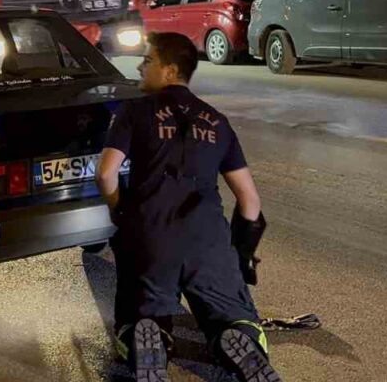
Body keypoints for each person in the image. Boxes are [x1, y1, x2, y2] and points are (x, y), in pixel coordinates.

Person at [96, 32, 279, 382]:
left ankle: (148, 338)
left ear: (169, 70)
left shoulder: (134, 111)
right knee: (234, 316)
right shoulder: (217, 121)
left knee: (139, 313)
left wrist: (121, 211)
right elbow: (250, 201)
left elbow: (106, 174)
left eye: (147, 60)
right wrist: (239, 254)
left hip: (150, 234)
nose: (140, 67)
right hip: (207, 236)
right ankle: (237, 338)